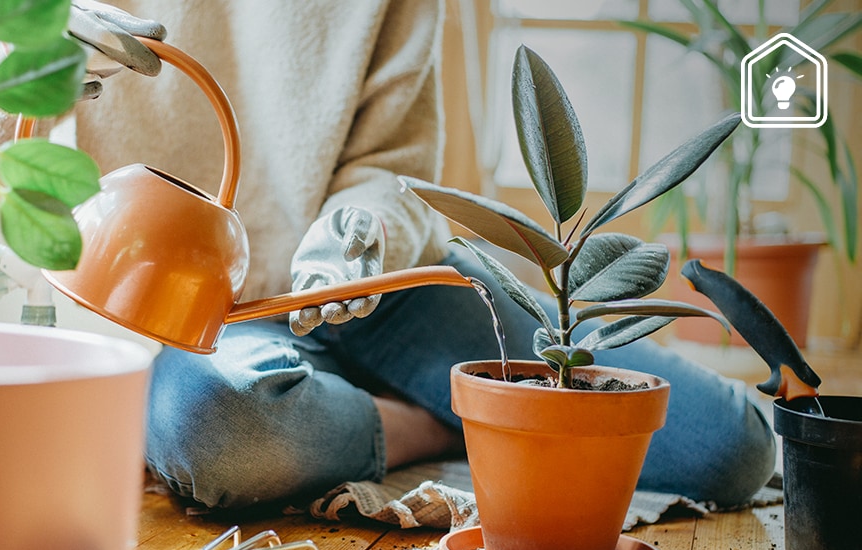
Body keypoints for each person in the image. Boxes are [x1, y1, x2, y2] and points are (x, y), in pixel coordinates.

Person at [53, 0, 776, 511]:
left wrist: (357, 233)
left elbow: (393, 160)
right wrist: (37, 41)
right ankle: (443, 420)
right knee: (211, 427)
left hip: (394, 293)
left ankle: (439, 405)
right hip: (226, 316)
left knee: (732, 447)